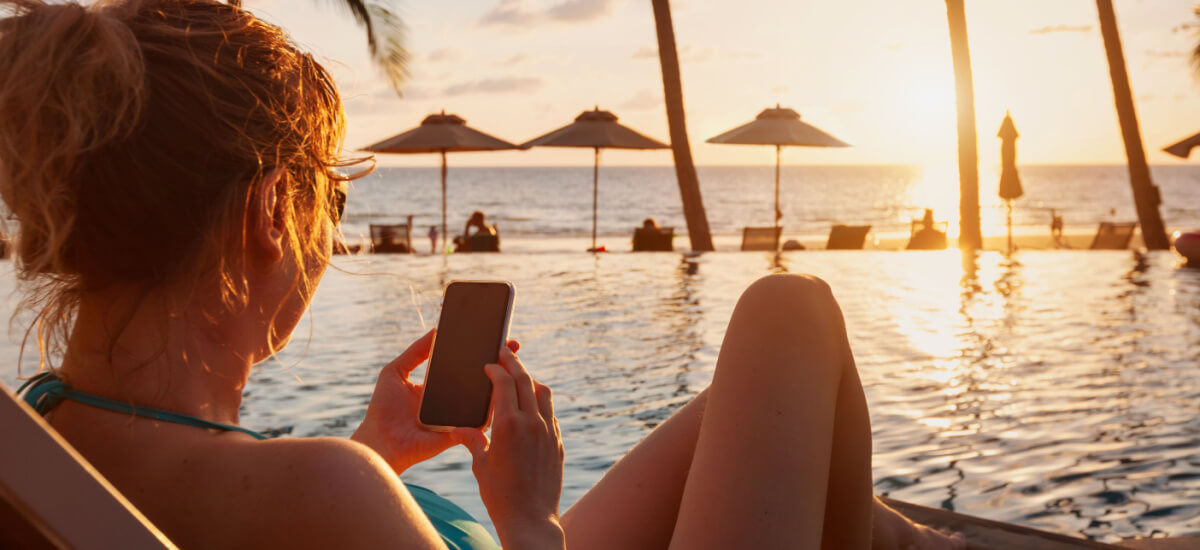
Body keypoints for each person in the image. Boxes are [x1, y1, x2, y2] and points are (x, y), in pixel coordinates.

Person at [1, 2, 962, 549]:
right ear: (270, 212)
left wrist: (372, 455)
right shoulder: (326, 494)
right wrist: (529, 518)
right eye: (332, 199)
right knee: (788, 312)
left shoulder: (37, 441)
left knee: (763, 390)